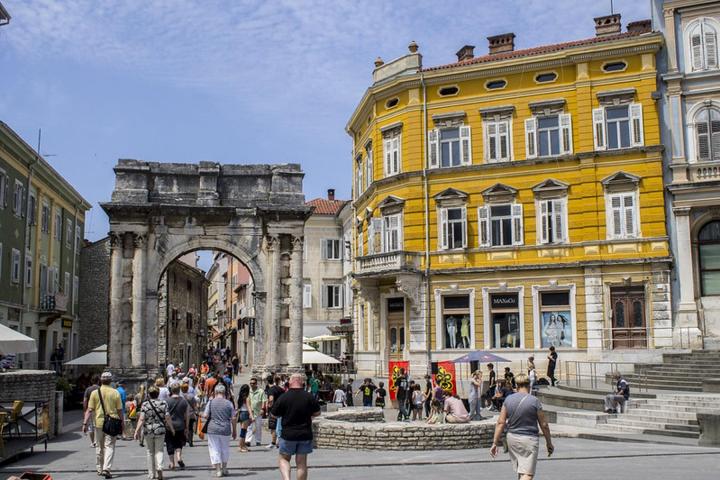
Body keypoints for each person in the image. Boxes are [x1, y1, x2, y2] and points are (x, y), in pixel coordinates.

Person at [490, 373, 554, 480]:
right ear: (528, 385)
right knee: (528, 474)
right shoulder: (534, 401)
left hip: (512, 438)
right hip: (529, 440)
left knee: (522, 471)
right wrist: (549, 442)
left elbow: (501, 422)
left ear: (517, 385)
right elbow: (544, 424)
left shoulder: (508, 400)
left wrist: (495, 443)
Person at [271, 373, 321, 480]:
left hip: (288, 434)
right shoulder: (309, 397)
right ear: (302, 382)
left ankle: (287, 479)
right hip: (305, 434)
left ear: (290, 382)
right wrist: (309, 416)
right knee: (301, 463)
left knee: (284, 459)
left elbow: (274, 415)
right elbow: (317, 413)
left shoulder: (284, 397)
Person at [83, 371, 124, 479]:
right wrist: (122, 422)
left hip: (99, 422)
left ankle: (100, 469)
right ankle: (107, 468)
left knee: (99, 447)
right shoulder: (115, 393)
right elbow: (120, 410)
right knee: (109, 446)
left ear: (101, 380)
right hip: (112, 422)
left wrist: (85, 423)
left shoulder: (94, 393)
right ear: (110, 381)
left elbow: (89, 409)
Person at [134, 385, 173, 480]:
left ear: (149, 395)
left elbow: (142, 419)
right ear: (158, 394)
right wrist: (172, 428)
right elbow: (167, 417)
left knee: (150, 452)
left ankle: (151, 474)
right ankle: (159, 467)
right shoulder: (163, 403)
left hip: (148, 430)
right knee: (159, 450)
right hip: (160, 430)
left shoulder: (145, 404)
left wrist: (137, 430)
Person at [203, 384, 237, 477]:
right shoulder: (229, 403)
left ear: (215, 392)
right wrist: (234, 431)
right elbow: (233, 418)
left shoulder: (210, 402)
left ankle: (218, 470)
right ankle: (224, 468)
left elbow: (205, 415)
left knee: (214, 448)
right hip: (225, 429)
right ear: (224, 392)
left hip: (213, 429)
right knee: (225, 448)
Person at [165, 383, 189, 470]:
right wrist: (186, 426)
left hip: (169, 425)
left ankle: (172, 463)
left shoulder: (167, 401)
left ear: (171, 390)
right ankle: (179, 457)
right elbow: (187, 415)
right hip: (180, 425)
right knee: (179, 443)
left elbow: (166, 415)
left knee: (170, 443)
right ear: (179, 390)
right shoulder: (183, 401)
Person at [246, 377, 267, 447]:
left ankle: (258, 441)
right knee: (250, 427)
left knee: (258, 427)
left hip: (258, 412)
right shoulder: (249, 391)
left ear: (256, 384)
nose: (252, 384)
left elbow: (264, 400)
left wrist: (263, 409)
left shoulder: (261, 391)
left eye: (253, 383)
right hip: (251, 412)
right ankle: (248, 440)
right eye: (251, 383)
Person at [267, 376, 285, 449]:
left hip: (274, 410)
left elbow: (271, 399)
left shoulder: (271, 390)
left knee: (273, 427)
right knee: (279, 426)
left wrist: (269, 405)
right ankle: (279, 442)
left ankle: (273, 443)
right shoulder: (281, 389)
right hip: (282, 409)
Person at [83, 374, 100, 448]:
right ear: (98, 381)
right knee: (98, 426)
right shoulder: (100, 389)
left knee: (91, 426)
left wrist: (85, 409)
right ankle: (97, 441)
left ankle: (92, 442)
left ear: (91, 381)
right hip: (99, 409)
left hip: (90, 409)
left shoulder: (88, 389)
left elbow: (85, 400)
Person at [181, 382, 198, 447]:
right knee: (190, 427)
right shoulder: (191, 396)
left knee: (183, 427)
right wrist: (196, 411)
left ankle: (183, 441)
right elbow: (194, 405)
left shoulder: (180, 396)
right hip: (190, 413)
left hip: (182, 414)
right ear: (187, 389)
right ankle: (190, 441)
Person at [236, 384, 251, 452]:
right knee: (243, 431)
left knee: (244, 431)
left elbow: (237, 406)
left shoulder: (239, 396)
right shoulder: (247, 397)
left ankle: (243, 446)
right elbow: (248, 407)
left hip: (241, 413)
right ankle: (240, 446)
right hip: (245, 413)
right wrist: (251, 415)